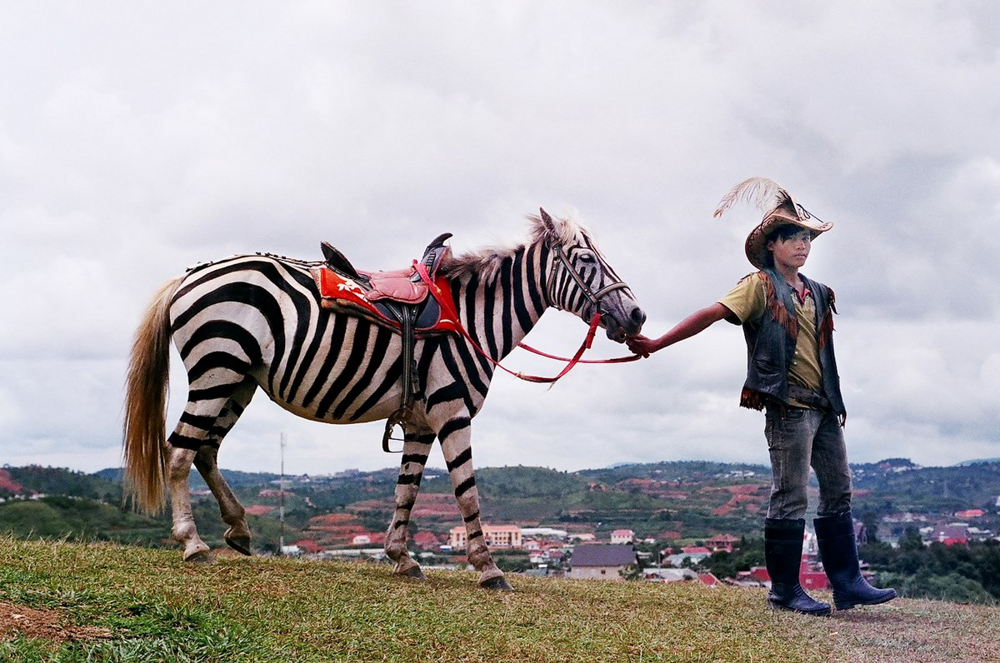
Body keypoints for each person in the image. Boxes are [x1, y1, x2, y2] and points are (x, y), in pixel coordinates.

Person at [627, 177, 896, 616]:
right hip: (788, 408)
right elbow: (710, 314)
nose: (802, 245)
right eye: (792, 237)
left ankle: (848, 585)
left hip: (825, 407)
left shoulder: (818, 292)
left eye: (806, 238)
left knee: (839, 490)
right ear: (772, 245)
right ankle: (785, 591)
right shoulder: (758, 286)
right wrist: (656, 343)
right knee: (790, 496)